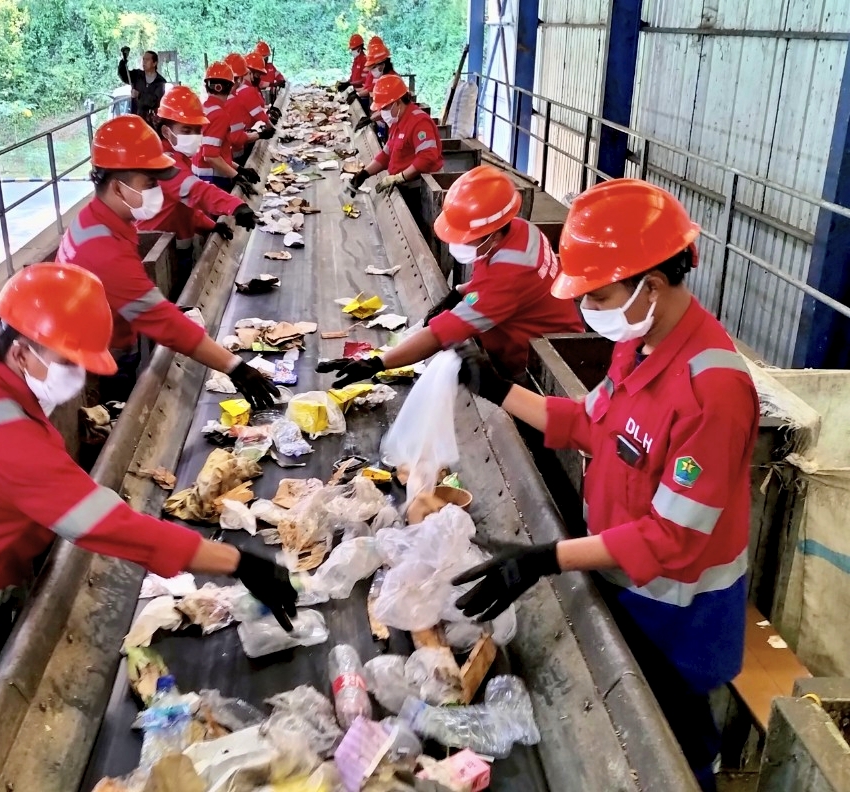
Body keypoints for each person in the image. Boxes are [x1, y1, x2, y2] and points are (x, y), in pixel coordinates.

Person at [0, 261, 298, 756]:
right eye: (68, 362)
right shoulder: (9, 442)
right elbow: (110, 527)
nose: (78, 376)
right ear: (22, 352)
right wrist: (240, 562)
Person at [452, 179, 757, 792]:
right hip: (619, 574)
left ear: (653, 284)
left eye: (599, 293)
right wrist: (498, 390)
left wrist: (547, 558)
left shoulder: (713, 392)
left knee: (673, 745)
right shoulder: (636, 345)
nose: (589, 306)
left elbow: (671, 537)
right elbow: (592, 425)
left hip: (676, 613)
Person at [57, 114, 276, 406]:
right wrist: (234, 367)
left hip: (111, 336)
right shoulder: (102, 250)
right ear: (118, 188)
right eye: (150, 183)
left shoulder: (99, 220)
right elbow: (162, 323)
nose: (157, 190)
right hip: (97, 359)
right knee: (116, 403)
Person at [321, 166, 582, 385]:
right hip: (534, 330)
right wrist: (458, 292)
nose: (458, 244)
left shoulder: (509, 276)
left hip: (534, 364)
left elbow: (441, 334)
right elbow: (494, 282)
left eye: (466, 238)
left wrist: (377, 363)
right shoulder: (521, 230)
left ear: (493, 234)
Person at [149, 85, 259, 294]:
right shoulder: (163, 164)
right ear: (165, 131)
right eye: (186, 130)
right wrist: (235, 206)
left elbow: (183, 207)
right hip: (161, 256)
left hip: (177, 248)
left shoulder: (180, 158)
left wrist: (210, 225)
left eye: (198, 130)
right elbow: (196, 191)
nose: (195, 136)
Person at [346, 74, 442, 228]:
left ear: (397, 102)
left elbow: (427, 158)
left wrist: (399, 177)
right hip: (403, 185)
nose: (382, 112)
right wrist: (364, 174)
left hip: (418, 191)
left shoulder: (419, 122)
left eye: (384, 108)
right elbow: (386, 154)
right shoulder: (398, 122)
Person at [191, 60, 261, 193]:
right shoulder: (219, 115)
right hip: (214, 179)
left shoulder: (204, 109)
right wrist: (236, 176)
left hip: (201, 176)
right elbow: (210, 156)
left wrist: (240, 169)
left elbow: (216, 152)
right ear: (230, 86)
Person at [225, 52, 276, 166]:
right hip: (234, 155)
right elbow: (236, 138)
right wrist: (261, 134)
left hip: (229, 156)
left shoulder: (226, 98)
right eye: (256, 74)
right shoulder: (235, 98)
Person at [351, 36, 398, 126]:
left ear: (382, 65)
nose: (372, 71)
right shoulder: (383, 78)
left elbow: (388, 109)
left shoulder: (392, 81)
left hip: (389, 122)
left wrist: (370, 119)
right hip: (380, 118)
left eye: (373, 67)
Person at [118, 47, 167, 127]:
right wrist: (124, 60)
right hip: (136, 119)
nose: (144, 62)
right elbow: (123, 75)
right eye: (143, 59)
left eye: (147, 60)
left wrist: (139, 95)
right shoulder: (137, 75)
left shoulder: (160, 81)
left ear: (154, 63)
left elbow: (155, 102)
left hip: (152, 123)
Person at [243, 51, 282, 128]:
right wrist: (268, 122)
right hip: (247, 129)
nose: (259, 78)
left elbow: (257, 107)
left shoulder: (252, 87)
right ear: (250, 72)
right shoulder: (246, 90)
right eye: (258, 75)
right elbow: (256, 112)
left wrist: (268, 109)